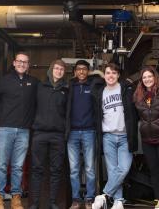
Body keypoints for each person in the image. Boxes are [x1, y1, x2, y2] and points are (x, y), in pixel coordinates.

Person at [0, 52, 39, 209]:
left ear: (28, 65)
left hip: (24, 130)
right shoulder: (3, 81)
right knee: (1, 165)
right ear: (14, 63)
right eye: (19, 61)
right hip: (4, 129)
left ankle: (16, 198)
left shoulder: (34, 83)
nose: (22, 64)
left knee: (18, 166)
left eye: (25, 62)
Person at [91, 63, 138, 209]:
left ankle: (104, 195)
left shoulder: (127, 89)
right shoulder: (100, 92)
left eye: (114, 73)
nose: (110, 75)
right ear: (103, 75)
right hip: (108, 137)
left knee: (123, 169)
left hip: (125, 136)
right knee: (112, 171)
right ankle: (118, 201)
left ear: (118, 75)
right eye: (108, 73)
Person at [29, 59, 68, 209]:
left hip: (58, 135)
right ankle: (35, 203)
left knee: (56, 169)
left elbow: (68, 112)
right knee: (37, 169)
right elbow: (31, 107)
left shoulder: (66, 89)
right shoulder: (40, 87)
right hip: (39, 133)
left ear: (64, 72)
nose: (58, 71)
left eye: (61, 69)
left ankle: (52, 202)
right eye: (56, 68)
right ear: (51, 70)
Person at [133, 66, 159, 209]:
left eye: (150, 76)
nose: (147, 79)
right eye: (144, 77)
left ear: (155, 77)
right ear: (141, 81)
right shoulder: (138, 96)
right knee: (154, 170)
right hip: (147, 139)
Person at [66, 60, 97, 209]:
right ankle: (76, 199)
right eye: (79, 69)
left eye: (84, 69)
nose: (81, 72)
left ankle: (90, 198)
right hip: (72, 132)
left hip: (89, 131)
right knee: (74, 169)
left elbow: (104, 78)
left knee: (90, 168)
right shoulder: (70, 86)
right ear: (75, 71)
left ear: (88, 71)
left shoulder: (93, 85)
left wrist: (99, 72)